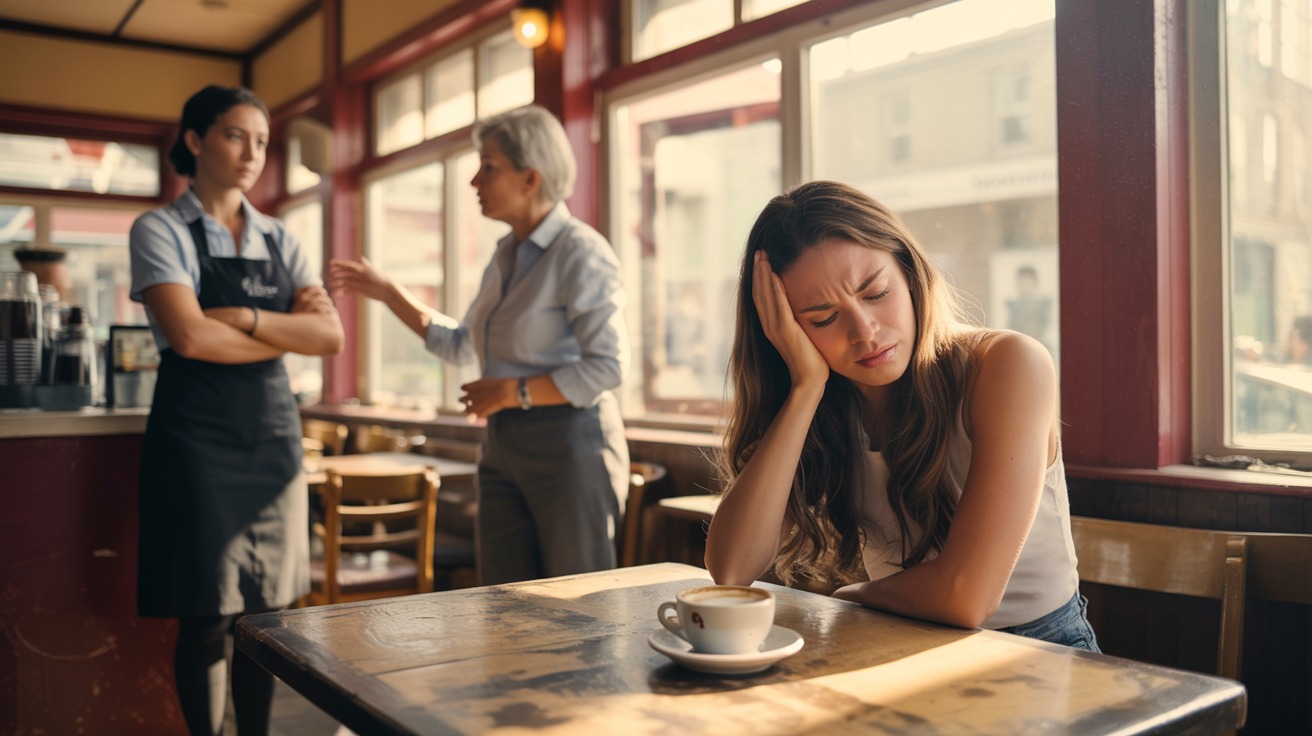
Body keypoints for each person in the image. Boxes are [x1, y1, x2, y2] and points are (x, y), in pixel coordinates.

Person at [705, 181, 1098, 651]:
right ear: (787, 331)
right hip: (895, 639)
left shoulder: (1009, 364)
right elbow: (731, 567)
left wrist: (853, 596)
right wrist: (806, 387)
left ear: (909, 273)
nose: (865, 332)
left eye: (875, 292)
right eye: (823, 318)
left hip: (1041, 650)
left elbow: (966, 597)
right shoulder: (827, 402)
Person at [328, 104, 630, 585]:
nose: (474, 181)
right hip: (501, 444)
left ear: (531, 178)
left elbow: (608, 368)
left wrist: (513, 392)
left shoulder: (581, 252)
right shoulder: (505, 255)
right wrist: (388, 293)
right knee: (504, 605)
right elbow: (460, 345)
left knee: (581, 609)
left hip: (571, 445)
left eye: (488, 167)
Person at [129, 85, 343, 735]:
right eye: (234, 136)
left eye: (262, 141)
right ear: (194, 141)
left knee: (267, 616)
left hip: (273, 435)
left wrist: (246, 317)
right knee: (205, 612)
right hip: (197, 437)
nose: (253, 153)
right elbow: (189, 336)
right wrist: (280, 332)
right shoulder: (159, 229)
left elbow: (329, 339)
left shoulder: (282, 236)